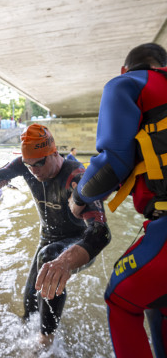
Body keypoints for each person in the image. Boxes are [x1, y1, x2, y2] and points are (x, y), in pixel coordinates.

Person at [0, 124, 111, 350]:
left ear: (54, 152)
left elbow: (100, 232)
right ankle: (40, 329)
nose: (33, 171)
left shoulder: (76, 176)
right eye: (28, 165)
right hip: (47, 240)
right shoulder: (25, 165)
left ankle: (47, 341)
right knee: (29, 304)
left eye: (39, 163)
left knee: (49, 258)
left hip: (77, 243)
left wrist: (65, 261)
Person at [69, 42, 167, 358]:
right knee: (158, 300)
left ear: (125, 69)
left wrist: (79, 197)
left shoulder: (126, 83)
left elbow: (113, 163)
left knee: (121, 299)